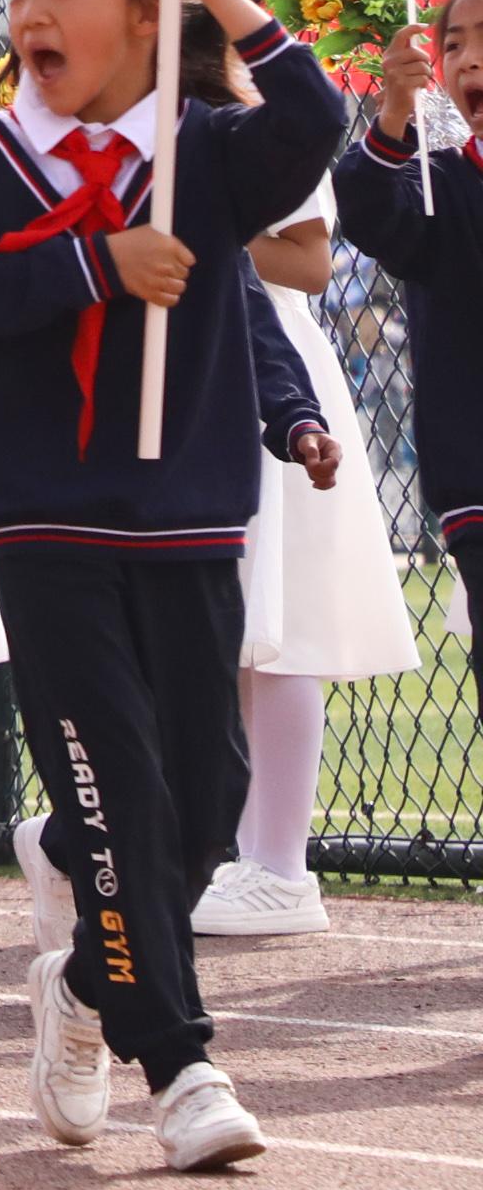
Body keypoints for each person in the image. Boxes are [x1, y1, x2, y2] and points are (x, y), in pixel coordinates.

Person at [0, 0, 337, 1173]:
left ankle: (89, 980)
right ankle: (182, 1063)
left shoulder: (202, 152)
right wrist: (95, 264)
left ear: (146, 13)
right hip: (43, 521)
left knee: (206, 803)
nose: (30, 9)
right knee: (118, 790)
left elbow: (313, 120)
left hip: (188, 516)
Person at [204, 108, 417, 940]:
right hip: (192, 356)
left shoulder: (263, 114)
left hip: (267, 363)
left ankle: (281, 865)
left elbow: (310, 262)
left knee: (280, 618)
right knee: (224, 626)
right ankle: (239, 855)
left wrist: (191, 229)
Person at [347, 0, 483, 819]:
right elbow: (368, 209)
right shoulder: (439, 185)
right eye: (454, 43)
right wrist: (395, 109)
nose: (468, 59)